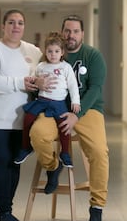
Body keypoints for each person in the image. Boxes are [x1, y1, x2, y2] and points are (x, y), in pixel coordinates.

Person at [29, 15, 109, 221]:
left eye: (75, 31)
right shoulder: (48, 57)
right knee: (38, 135)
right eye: (67, 31)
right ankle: (53, 167)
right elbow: (36, 83)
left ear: (82, 34)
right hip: (53, 107)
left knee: (99, 152)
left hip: (88, 109)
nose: (70, 35)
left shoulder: (92, 56)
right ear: (61, 31)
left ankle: (97, 206)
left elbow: (95, 89)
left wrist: (77, 114)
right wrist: (37, 83)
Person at [0, 9, 43, 221]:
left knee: (15, 163)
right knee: (1, 160)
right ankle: (3, 210)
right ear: (3, 26)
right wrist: (20, 82)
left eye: (20, 23)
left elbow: (45, 72)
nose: (16, 26)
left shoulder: (33, 51)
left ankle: (7, 208)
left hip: (22, 119)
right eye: (11, 22)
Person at [14, 31, 81, 168]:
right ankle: (26, 147)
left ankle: (65, 153)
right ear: (45, 51)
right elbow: (33, 78)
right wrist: (35, 79)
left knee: (64, 126)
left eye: (56, 51)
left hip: (59, 103)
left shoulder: (65, 67)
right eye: (50, 51)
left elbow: (73, 86)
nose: (53, 54)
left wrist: (76, 101)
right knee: (27, 119)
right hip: (41, 101)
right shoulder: (41, 66)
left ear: (62, 52)